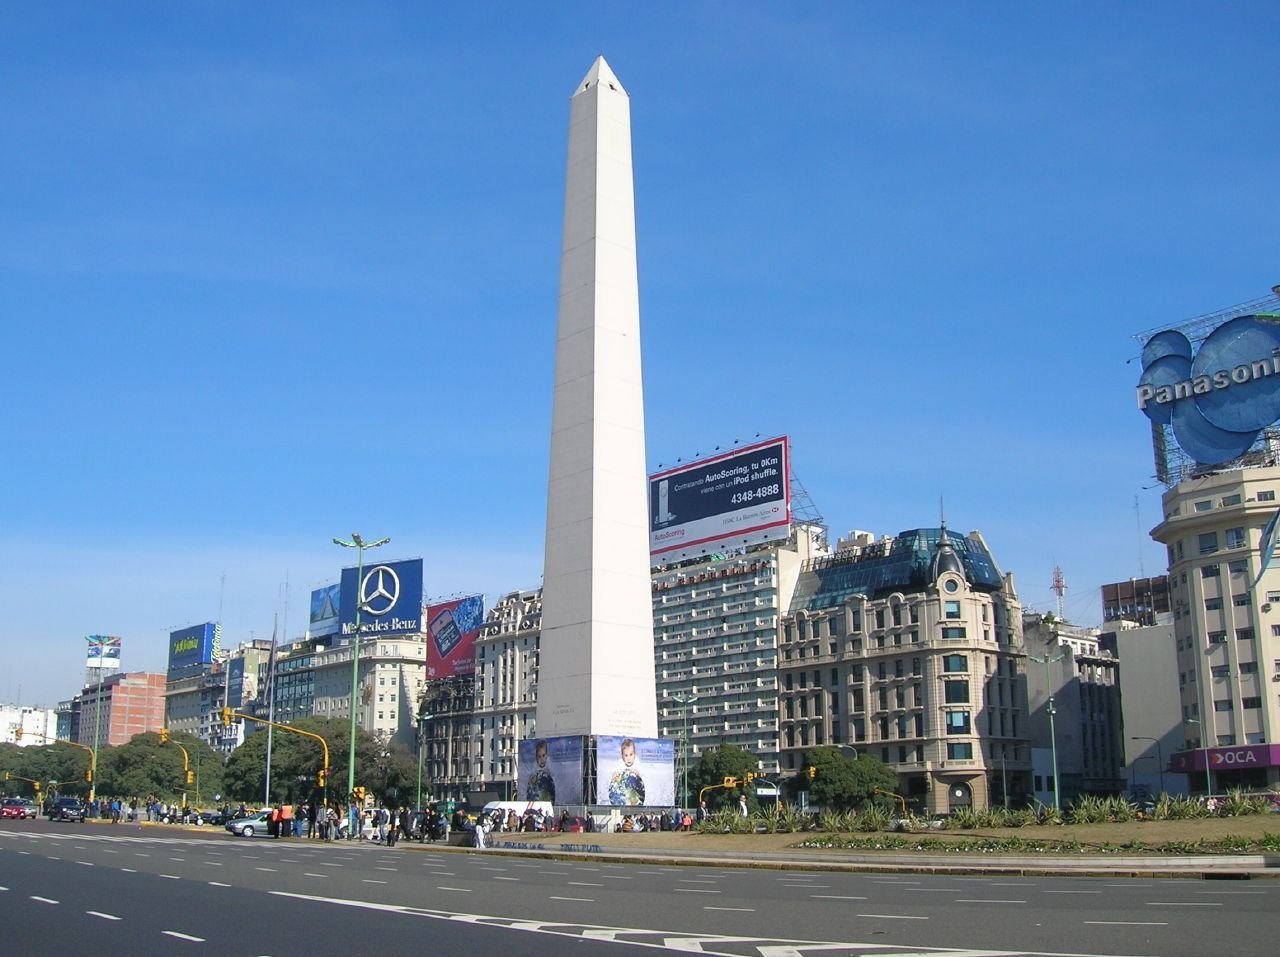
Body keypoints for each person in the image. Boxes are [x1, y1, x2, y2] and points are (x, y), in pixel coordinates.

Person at [606, 737, 645, 806]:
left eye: (631, 754)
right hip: (624, 787)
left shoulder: (637, 762)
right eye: (626, 755)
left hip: (635, 786)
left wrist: (637, 772)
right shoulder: (620, 763)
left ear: (635, 755)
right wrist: (615, 774)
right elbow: (614, 771)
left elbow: (642, 773)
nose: (629, 758)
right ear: (622, 757)